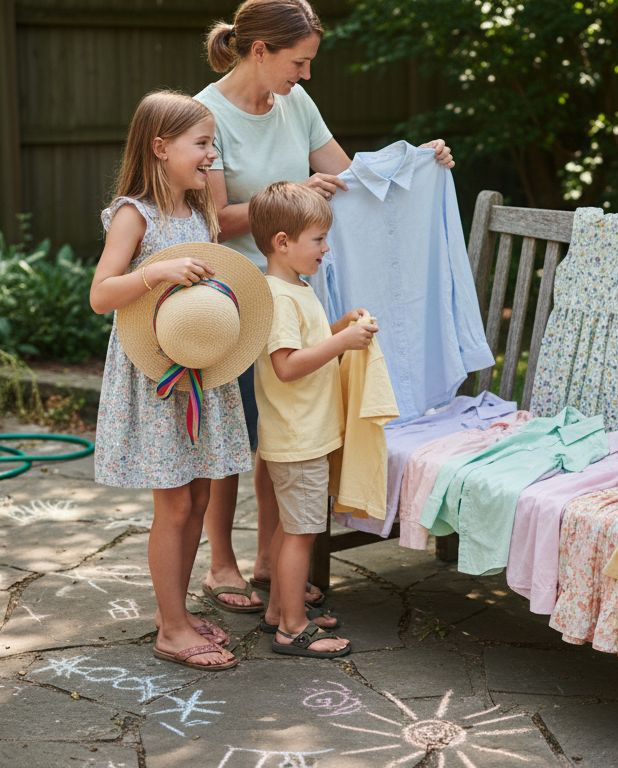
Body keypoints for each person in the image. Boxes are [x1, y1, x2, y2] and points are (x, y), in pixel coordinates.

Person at [195, 0, 455, 613]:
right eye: (299, 62)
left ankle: (268, 560)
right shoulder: (208, 113)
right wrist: (285, 196)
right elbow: (214, 220)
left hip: (292, 295)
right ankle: (222, 563)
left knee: (277, 435)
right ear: (260, 50)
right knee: (234, 438)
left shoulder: (296, 105)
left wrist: (419, 163)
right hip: (236, 298)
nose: (306, 75)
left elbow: (350, 178)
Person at [89, 91, 264, 671]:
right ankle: (169, 627)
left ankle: (183, 613)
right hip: (156, 373)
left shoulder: (199, 212)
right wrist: (155, 270)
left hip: (200, 370)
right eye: (203, 144)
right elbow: (101, 294)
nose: (212, 155)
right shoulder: (134, 213)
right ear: (161, 148)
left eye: (212, 144)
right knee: (173, 502)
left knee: (200, 494)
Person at [249, 181, 374, 657]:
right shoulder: (279, 297)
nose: (327, 248)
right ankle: (294, 629)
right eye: (318, 240)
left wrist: (339, 327)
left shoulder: (295, 289)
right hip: (298, 439)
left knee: (289, 527)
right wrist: (342, 344)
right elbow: (286, 365)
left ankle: (279, 611)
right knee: (302, 531)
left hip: (301, 435)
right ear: (283, 243)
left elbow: (305, 346)